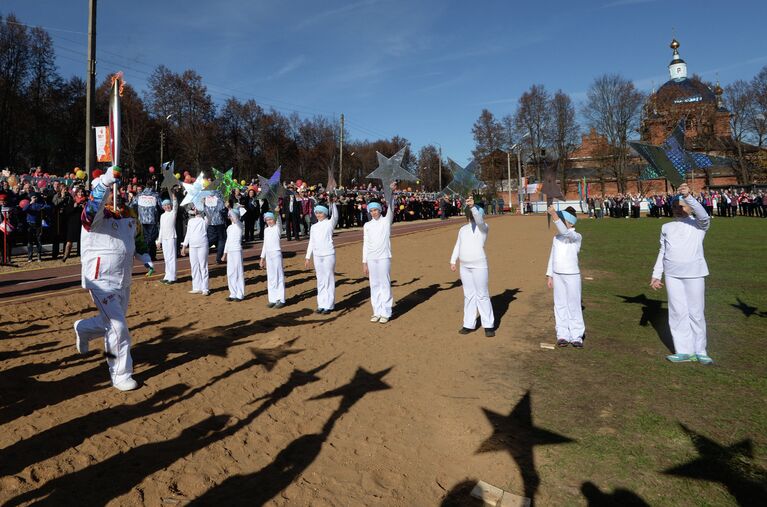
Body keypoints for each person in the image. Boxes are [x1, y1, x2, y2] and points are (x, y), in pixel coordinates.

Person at [73, 166, 142, 391]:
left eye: (115, 189)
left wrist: (146, 255)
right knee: (117, 327)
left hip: (124, 280)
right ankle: (120, 373)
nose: (115, 192)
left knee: (109, 324)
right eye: (110, 190)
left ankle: (83, 328)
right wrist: (104, 182)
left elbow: (136, 239)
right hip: (100, 280)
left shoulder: (126, 216)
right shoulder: (93, 218)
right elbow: (92, 209)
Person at [650, 183, 712, 364]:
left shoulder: (699, 225)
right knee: (677, 312)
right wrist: (656, 274)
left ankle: (700, 351)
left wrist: (688, 196)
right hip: (672, 274)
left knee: (696, 312)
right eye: (675, 207)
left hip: (694, 273)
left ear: (690, 207)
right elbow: (662, 251)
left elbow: (704, 216)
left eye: (682, 206)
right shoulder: (666, 227)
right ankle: (683, 351)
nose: (678, 209)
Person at [450, 196, 495, 337]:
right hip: (464, 266)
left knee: (482, 294)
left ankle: (488, 325)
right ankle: (468, 324)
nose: (474, 215)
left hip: (479, 265)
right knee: (468, 295)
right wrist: (453, 260)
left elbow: (480, 220)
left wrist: (472, 207)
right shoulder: (463, 229)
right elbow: (458, 244)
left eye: (477, 212)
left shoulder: (483, 228)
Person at [545, 205, 585, 348]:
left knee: (573, 305)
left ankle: (577, 336)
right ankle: (562, 334)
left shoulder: (575, 236)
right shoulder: (556, 237)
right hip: (557, 274)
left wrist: (554, 215)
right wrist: (550, 275)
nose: (560, 221)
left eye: (563, 219)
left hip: (572, 275)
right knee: (560, 305)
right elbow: (552, 256)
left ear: (571, 222)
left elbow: (565, 232)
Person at [363, 182, 397, 324]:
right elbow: (365, 244)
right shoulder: (367, 225)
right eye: (371, 211)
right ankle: (376, 311)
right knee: (374, 285)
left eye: (376, 210)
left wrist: (392, 193)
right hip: (371, 259)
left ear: (380, 210)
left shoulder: (386, 221)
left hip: (383, 257)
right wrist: (364, 262)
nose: (374, 213)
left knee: (384, 284)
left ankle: (386, 311)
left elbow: (391, 207)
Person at [305, 199, 339, 314]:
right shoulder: (314, 227)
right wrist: (307, 256)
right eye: (317, 213)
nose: (318, 215)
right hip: (317, 256)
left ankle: (329, 305)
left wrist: (333, 203)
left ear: (325, 213)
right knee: (320, 280)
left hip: (328, 254)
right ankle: (321, 304)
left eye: (321, 212)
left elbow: (335, 215)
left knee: (328, 279)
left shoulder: (330, 223)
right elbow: (311, 242)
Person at [181, 204, 210, 296]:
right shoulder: (191, 221)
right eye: (195, 208)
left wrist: (204, 205)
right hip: (192, 246)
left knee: (203, 266)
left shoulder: (204, 220)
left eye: (198, 209)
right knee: (194, 266)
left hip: (202, 245)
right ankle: (196, 287)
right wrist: (184, 246)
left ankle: (205, 288)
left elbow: (209, 215)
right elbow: (188, 234)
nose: (196, 210)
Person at [259, 207, 285, 308]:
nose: (269, 221)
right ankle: (272, 299)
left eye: (271, 219)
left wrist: (277, 213)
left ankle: (281, 299)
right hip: (269, 255)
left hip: (276, 253)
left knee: (279, 276)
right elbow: (265, 245)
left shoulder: (277, 228)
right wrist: (262, 258)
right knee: (271, 277)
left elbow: (278, 221)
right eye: (267, 220)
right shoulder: (266, 230)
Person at [222, 205, 246, 302]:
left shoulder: (240, 225)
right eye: (229, 216)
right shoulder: (229, 228)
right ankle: (233, 293)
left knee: (238, 272)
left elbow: (236, 219)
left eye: (231, 216)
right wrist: (224, 254)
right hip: (230, 251)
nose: (230, 217)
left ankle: (240, 294)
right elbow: (227, 241)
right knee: (230, 272)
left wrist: (230, 208)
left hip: (237, 250)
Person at [157, 194, 179, 284]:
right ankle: (167, 275)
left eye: (168, 205)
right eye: (165, 205)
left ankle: (173, 277)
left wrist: (174, 198)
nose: (167, 206)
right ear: (163, 207)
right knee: (166, 258)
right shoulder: (162, 216)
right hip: (165, 238)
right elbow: (161, 228)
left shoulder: (173, 213)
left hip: (171, 237)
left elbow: (176, 206)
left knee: (172, 257)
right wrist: (159, 240)